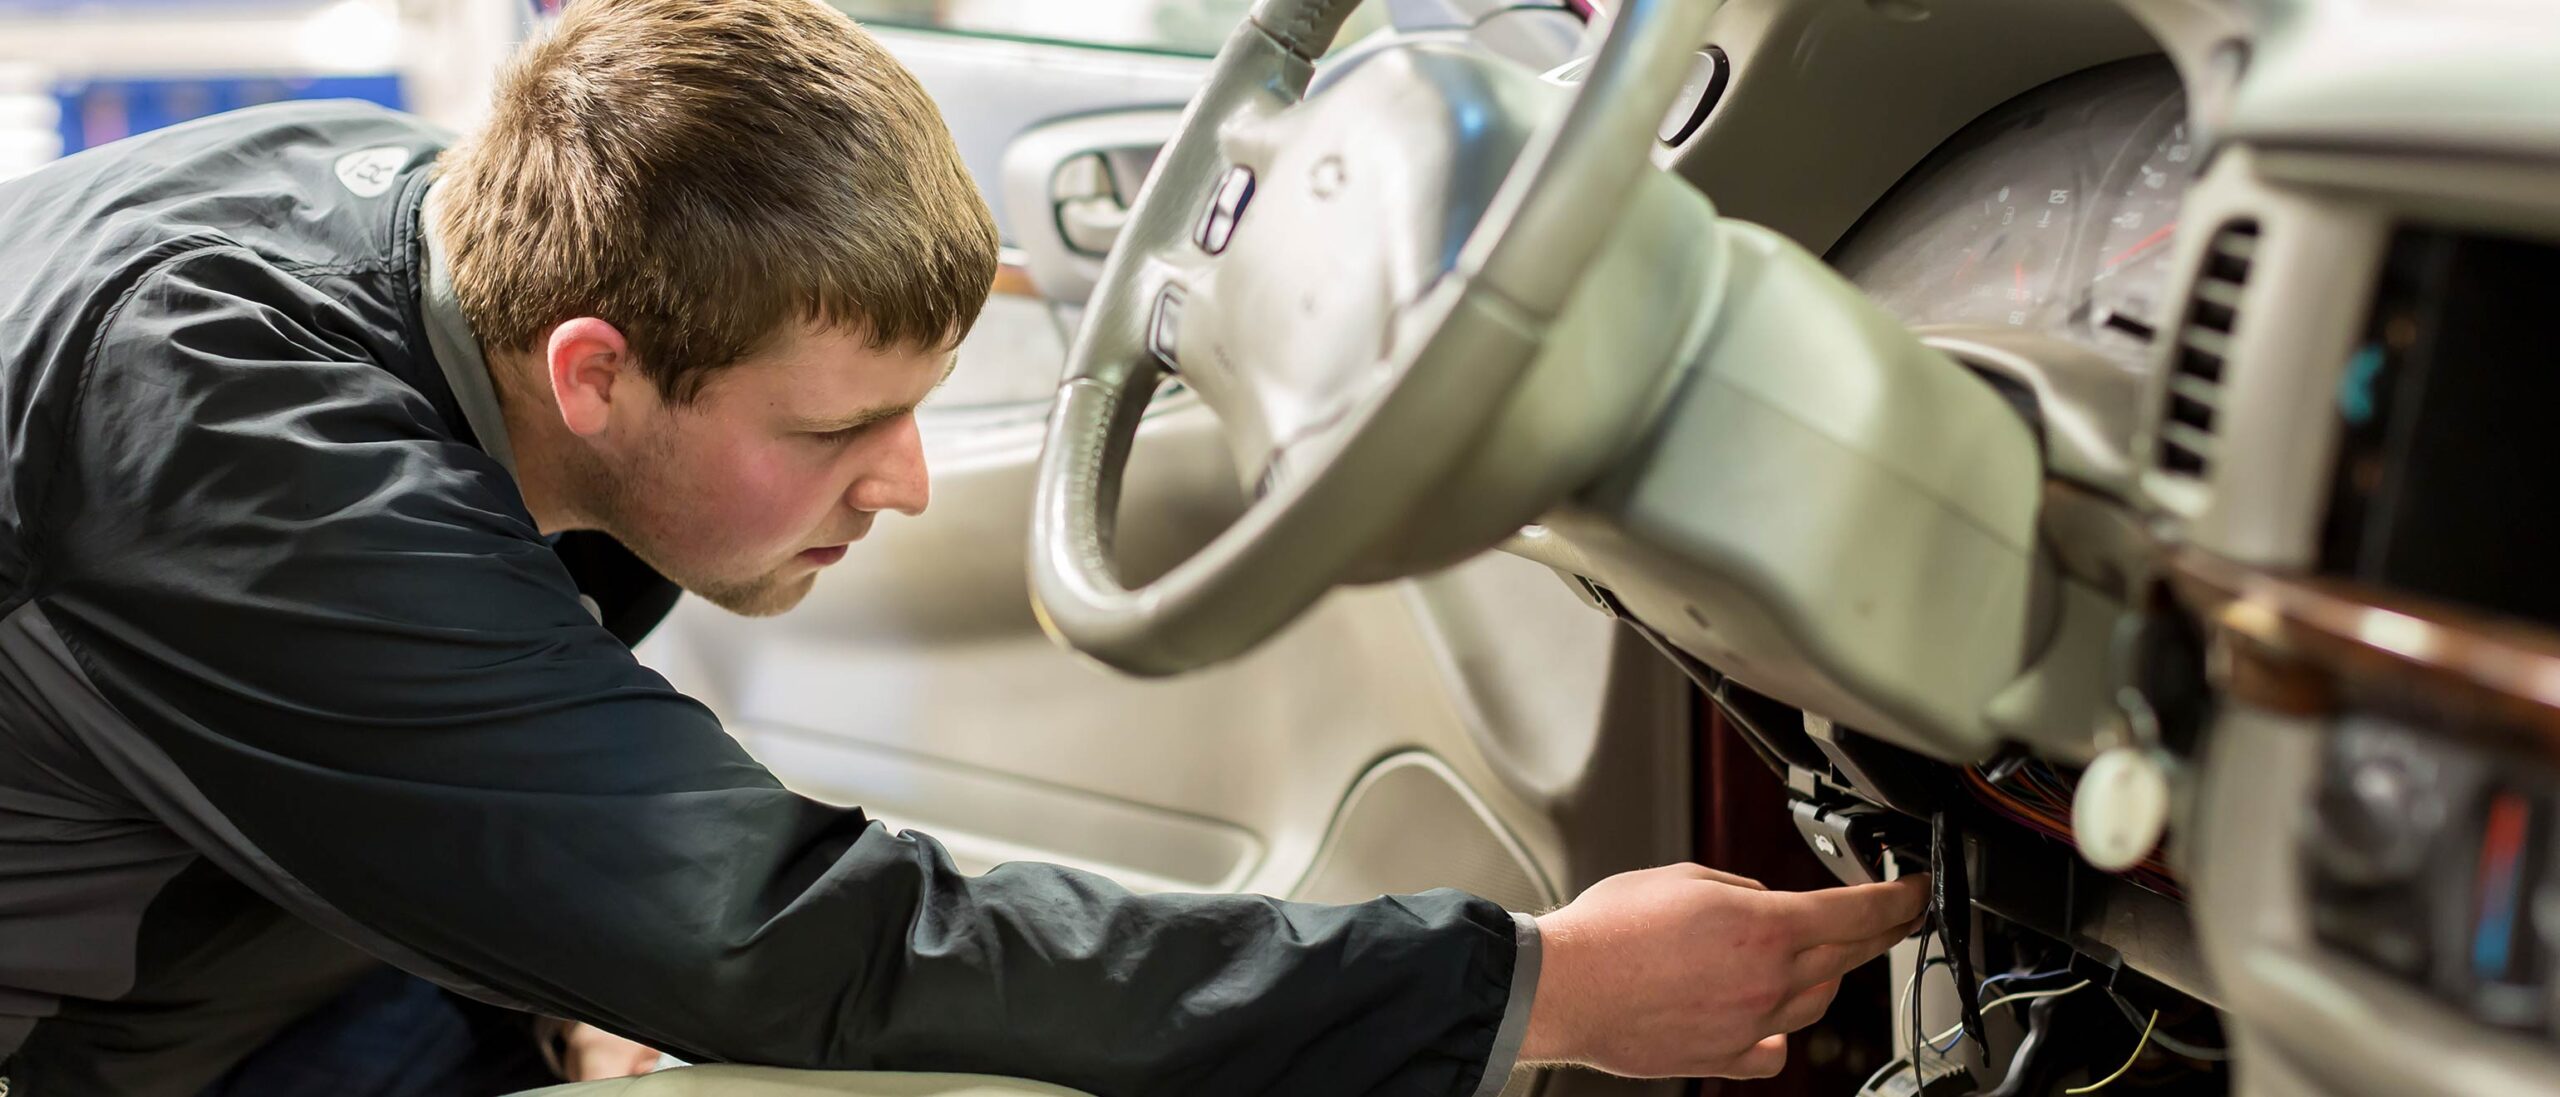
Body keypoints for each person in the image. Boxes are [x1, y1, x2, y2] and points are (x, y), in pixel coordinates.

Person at [0, 1, 1929, 1094]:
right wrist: (1533, 988)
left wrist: (538, 958)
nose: (907, 483)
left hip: (263, 935)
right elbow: (770, 940)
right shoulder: (228, 448)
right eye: (842, 429)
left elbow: (414, 732)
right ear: (595, 374)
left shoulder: (466, 248)